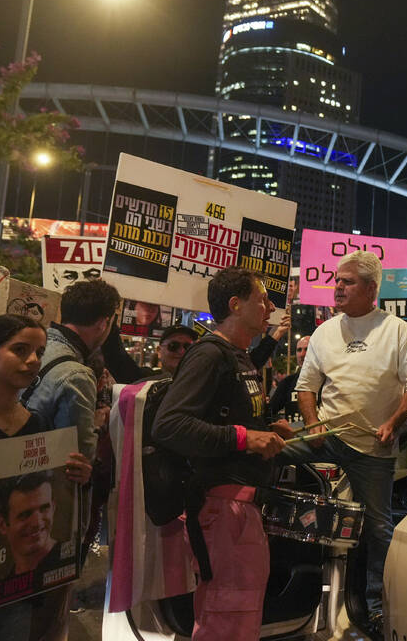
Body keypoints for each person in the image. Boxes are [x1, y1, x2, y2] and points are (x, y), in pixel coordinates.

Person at [289, 251, 407, 637]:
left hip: (372, 448)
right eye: (337, 280)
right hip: (326, 438)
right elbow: (306, 388)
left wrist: (392, 423)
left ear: (370, 289)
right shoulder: (323, 332)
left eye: (347, 282)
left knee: (380, 529)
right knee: (267, 455)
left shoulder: (396, 329)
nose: (338, 287)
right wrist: (312, 424)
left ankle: (376, 607)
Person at [152, 267, 292, 641]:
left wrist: (268, 430)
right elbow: (170, 425)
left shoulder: (239, 356)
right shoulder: (209, 355)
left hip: (240, 511)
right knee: (227, 622)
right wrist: (246, 438)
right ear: (235, 304)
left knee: (236, 621)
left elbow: (228, 418)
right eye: (261, 299)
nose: (269, 306)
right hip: (224, 509)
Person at [0, 314, 92, 641]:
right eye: (20, 350)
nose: (32, 361)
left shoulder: (38, 424)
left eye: (39, 352)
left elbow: (51, 492)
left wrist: (75, 477)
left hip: (15, 592)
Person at [25, 278, 122, 462]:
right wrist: (96, 423)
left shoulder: (30, 348)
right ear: (103, 323)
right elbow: (80, 454)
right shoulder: (77, 375)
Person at [268, 334, 310, 419]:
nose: (302, 354)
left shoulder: (326, 381)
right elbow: (270, 412)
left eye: (307, 349)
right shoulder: (287, 383)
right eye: (299, 350)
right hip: (294, 431)